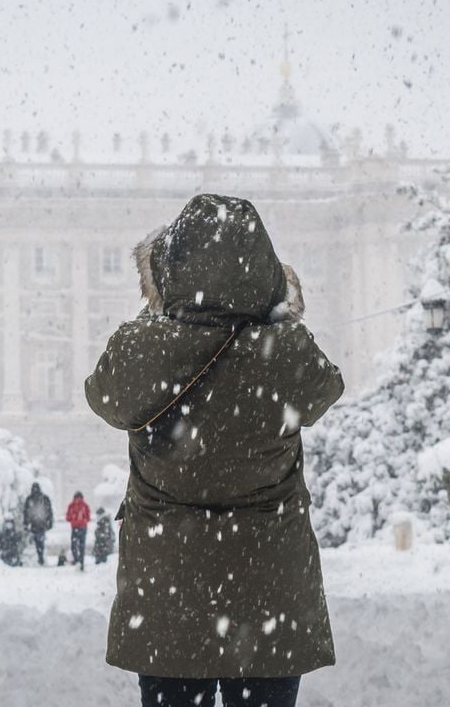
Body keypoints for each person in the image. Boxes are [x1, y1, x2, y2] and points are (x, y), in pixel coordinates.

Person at [85, 194, 343, 707]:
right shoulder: (285, 348)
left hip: (168, 586)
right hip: (268, 586)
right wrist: (275, 315)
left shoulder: (140, 346)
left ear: (170, 267)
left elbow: (103, 397)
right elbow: (326, 388)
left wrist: (161, 316)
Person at [23, 482, 54, 566]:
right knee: (40, 541)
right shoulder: (44, 498)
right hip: (41, 523)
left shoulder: (30, 499)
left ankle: (39, 557)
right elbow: (49, 512)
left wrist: (26, 523)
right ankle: (40, 556)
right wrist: (50, 522)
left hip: (34, 524)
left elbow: (26, 512)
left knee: (36, 541)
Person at [65, 491, 91, 571]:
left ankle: (77, 561)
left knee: (74, 546)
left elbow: (67, 518)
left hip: (75, 528)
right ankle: (81, 563)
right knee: (81, 546)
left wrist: (73, 520)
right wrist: (83, 521)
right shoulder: (85, 505)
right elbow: (88, 517)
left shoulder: (71, 506)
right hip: (83, 528)